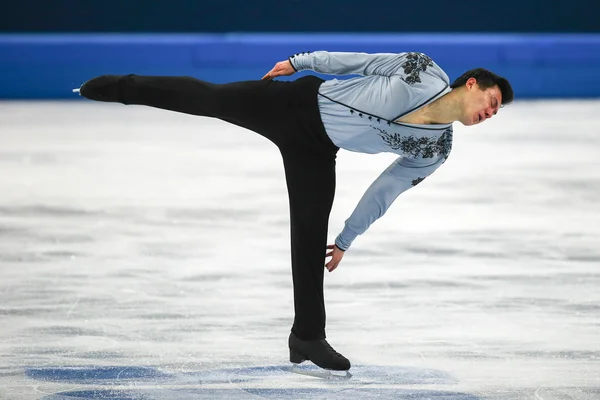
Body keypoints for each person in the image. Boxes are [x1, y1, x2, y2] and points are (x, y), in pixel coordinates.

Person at [75, 50, 514, 372]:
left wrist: (347, 238)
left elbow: (388, 188)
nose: (490, 113)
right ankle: (119, 87)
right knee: (210, 98)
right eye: (492, 102)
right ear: (471, 83)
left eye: (495, 113)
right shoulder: (422, 70)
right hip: (294, 104)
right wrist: (302, 61)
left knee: (309, 235)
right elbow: (357, 63)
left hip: (318, 150)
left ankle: (307, 337)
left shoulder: (437, 149)